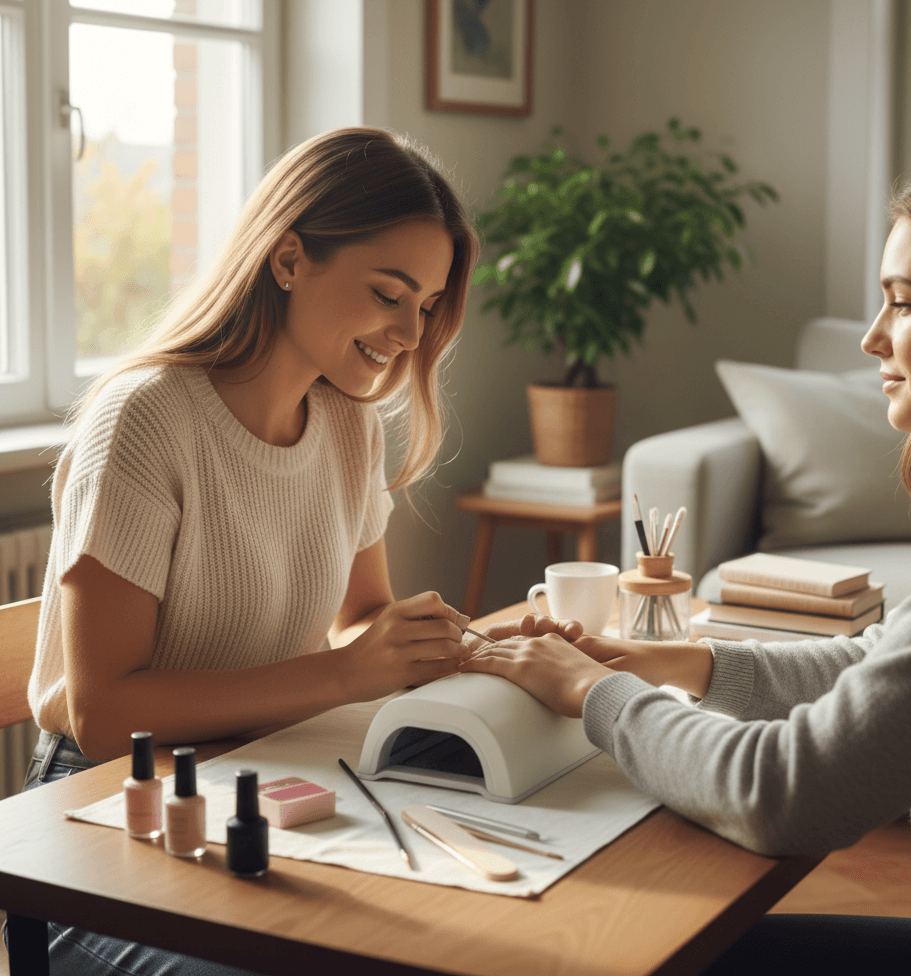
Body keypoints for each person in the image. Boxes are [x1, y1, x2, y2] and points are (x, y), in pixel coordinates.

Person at [461, 151, 911, 976]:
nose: (872, 338)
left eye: (902, 304)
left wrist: (593, 693)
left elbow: (787, 794)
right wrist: (673, 662)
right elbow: (887, 663)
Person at [18, 127, 563, 976]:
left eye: (424, 306)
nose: (410, 334)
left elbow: (363, 618)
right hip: (99, 816)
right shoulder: (144, 419)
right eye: (389, 294)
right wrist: (349, 674)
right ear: (287, 259)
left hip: (262, 767)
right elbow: (101, 713)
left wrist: (449, 648)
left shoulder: (346, 422)